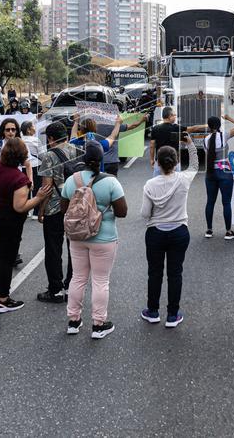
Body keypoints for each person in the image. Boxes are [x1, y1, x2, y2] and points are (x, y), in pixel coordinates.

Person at [61, 142, 128, 339]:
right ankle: (99, 325)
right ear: (101, 160)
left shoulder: (71, 181)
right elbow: (123, 212)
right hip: (104, 237)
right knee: (100, 280)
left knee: (78, 278)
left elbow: (65, 208)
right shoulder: (111, 182)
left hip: (77, 237)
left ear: (83, 160)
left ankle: (73, 321)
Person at [0, 138, 49, 314]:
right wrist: (39, 198)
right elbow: (20, 206)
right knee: (6, 259)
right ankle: (3, 298)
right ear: (23, 156)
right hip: (9, 223)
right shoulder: (19, 179)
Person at [139, 136, 198, 327]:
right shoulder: (183, 180)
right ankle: (173, 314)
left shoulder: (150, 185)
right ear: (177, 162)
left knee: (154, 273)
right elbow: (195, 166)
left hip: (155, 232)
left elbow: (145, 213)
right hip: (179, 231)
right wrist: (190, 145)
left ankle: (153, 311)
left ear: (157, 163)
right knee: (175, 273)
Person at [35, 122, 81, 303]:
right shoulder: (77, 151)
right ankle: (71, 286)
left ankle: (55, 289)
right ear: (66, 136)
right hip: (74, 206)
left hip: (54, 207)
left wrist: (40, 210)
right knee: (73, 248)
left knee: (53, 249)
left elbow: (46, 187)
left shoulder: (48, 156)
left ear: (50, 138)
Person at [204, 114, 234, 239]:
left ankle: (209, 230)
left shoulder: (205, 139)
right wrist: (229, 118)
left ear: (209, 126)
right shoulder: (224, 135)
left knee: (210, 202)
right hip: (225, 172)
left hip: (210, 173)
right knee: (226, 202)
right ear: (219, 125)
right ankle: (228, 231)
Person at [149, 107, 206, 177]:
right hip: (174, 162)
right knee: (175, 183)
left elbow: (152, 145)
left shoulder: (155, 128)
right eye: (174, 115)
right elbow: (193, 128)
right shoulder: (176, 128)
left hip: (160, 162)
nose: (175, 117)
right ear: (170, 116)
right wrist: (206, 125)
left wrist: (152, 159)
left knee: (157, 183)